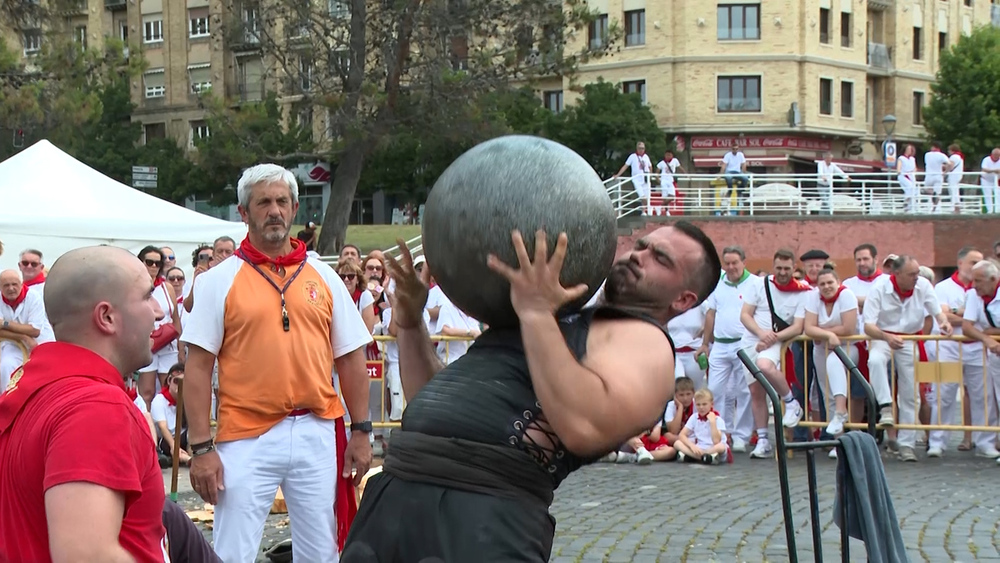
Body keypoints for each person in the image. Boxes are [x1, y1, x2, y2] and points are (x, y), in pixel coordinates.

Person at [342, 222, 721, 562]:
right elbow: (435, 398)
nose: (639, 256)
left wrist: (537, 314)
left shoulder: (647, 344)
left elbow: (583, 427)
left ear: (684, 300)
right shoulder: (553, 314)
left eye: (660, 258)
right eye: (641, 245)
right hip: (395, 492)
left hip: (482, 515)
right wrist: (410, 325)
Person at [182, 163, 373, 562]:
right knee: (233, 551)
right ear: (244, 213)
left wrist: (361, 430)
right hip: (246, 436)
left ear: (295, 207)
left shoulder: (323, 274)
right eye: (264, 202)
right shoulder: (218, 281)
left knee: (322, 551)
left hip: (318, 431)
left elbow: (351, 357)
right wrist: (200, 449)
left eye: (282, 201)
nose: (274, 211)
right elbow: (197, 368)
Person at [0, 246, 169, 561]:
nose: (158, 312)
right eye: (147, 297)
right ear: (106, 317)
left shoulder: (30, 388)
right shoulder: (96, 406)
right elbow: (86, 554)